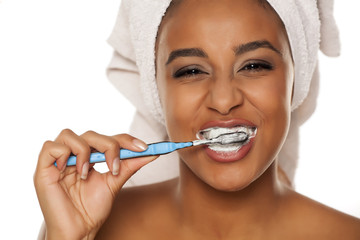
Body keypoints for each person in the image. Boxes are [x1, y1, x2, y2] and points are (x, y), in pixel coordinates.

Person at [34, 0, 360, 239]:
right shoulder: (90, 227)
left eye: (254, 66)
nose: (223, 100)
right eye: (190, 71)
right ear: (155, 90)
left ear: (295, 81)